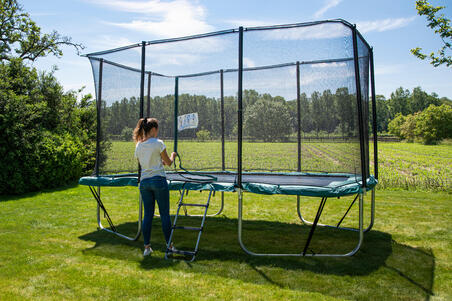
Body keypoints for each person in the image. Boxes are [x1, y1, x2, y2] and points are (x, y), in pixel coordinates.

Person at [133, 118, 177, 256]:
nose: (158, 132)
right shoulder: (158, 143)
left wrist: (159, 162)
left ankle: (147, 248)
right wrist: (173, 155)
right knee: (164, 214)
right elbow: (169, 162)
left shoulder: (138, 145)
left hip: (145, 183)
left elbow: (146, 163)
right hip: (158, 180)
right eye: (157, 130)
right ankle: (169, 247)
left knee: (148, 215)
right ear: (153, 129)